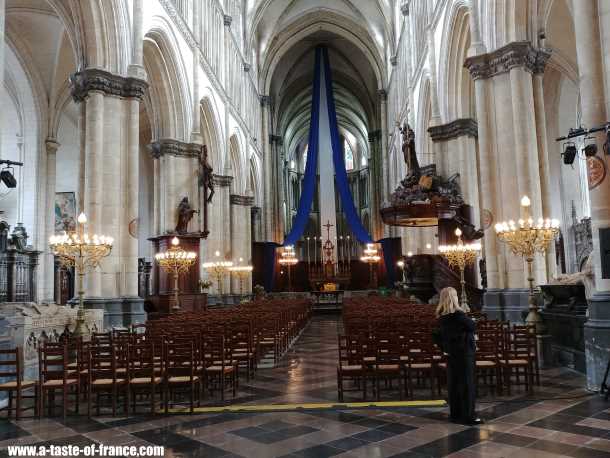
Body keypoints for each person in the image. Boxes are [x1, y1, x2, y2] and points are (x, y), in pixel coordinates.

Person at [434, 287, 482, 425]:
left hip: (451, 354)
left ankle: (455, 414)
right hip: (465, 354)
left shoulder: (442, 317)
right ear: (454, 298)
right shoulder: (459, 315)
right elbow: (473, 326)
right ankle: (468, 416)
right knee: (467, 384)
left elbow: (437, 336)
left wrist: (444, 348)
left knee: (454, 384)